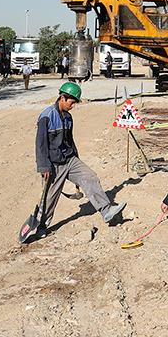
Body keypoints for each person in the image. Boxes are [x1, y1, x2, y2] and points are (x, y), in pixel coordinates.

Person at [32, 82, 125, 238]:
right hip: (54, 165)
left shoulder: (68, 117)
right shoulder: (46, 116)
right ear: (62, 97)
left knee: (90, 177)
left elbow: (70, 140)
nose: (73, 105)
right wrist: (44, 167)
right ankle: (41, 227)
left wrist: (76, 158)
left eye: (75, 102)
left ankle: (106, 211)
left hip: (70, 160)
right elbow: (40, 144)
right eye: (72, 102)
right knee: (49, 198)